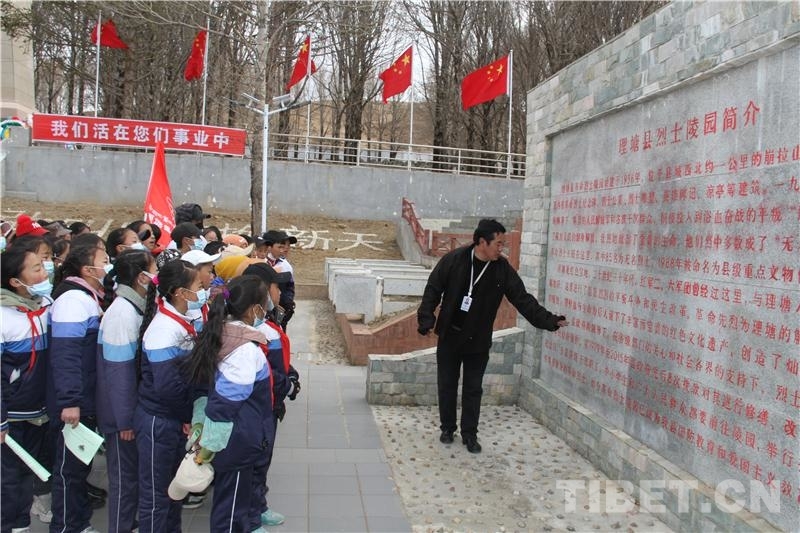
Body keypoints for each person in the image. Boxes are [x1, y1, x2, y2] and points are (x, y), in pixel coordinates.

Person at [417, 219, 568, 454]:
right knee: (447, 385)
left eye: (503, 244)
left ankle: (470, 434)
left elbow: (522, 299)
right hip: (449, 337)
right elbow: (433, 289)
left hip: (477, 341)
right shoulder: (454, 260)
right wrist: (426, 320)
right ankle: (447, 428)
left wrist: (549, 320)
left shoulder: (502, 269)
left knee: (473, 389)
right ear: (482, 242)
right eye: (498, 243)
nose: (501, 248)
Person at [183, 275, 275, 533]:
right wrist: (211, 444)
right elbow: (226, 403)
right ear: (254, 309)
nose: (266, 309)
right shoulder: (244, 349)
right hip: (236, 440)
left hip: (232, 438)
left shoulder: (220, 331)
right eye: (264, 303)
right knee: (231, 511)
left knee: (232, 505)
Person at [134, 259, 203, 533]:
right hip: (159, 420)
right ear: (180, 293)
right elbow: (167, 387)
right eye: (198, 285)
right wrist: (188, 414)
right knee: (156, 496)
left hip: (173, 417)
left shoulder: (182, 322)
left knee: (175, 490)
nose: (202, 290)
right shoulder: (164, 329)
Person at [48, 243, 112, 532]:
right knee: (69, 471)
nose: (108, 266)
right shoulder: (74, 300)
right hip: (74, 402)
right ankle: (66, 526)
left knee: (78, 467)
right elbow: (67, 354)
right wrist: (70, 400)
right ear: (88, 270)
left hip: (84, 397)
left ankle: (78, 522)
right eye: (104, 261)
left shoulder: (88, 297)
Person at [97, 249, 156, 533]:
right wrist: (124, 421)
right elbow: (118, 373)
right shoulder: (122, 313)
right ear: (142, 278)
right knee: (124, 479)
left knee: (133, 475)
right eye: (154, 270)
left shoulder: (137, 306)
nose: (157, 275)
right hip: (120, 416)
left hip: (130, 411)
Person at [1, 245, 52, 533]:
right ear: (15, 281)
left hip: (40, 409)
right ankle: (14, 525)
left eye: (43, 264)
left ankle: (24, 517)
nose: (45, 272)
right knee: (11, 477)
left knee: (30, 470)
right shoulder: (3, 317)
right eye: (37, 268)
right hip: (12, 414)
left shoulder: (44, 306)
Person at [244, 263, 299, 528]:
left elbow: (280, 363)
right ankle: (251, 516)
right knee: (256, 462)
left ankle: (259, 505)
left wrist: (291, 375)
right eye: (277, 287)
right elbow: (267, 370)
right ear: (264, 291)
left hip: (271, 403)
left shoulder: (269, 321)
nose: (281, 293)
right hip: (261, 405)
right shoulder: (257, 330)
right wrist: (286, 385)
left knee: (262, 461)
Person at [261, 230, 297, 331]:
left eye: (288, 246)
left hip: (278, 313)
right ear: (269, 247)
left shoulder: (286, 266)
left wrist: (287, 305)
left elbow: (289, 287)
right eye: (281, 246)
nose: (285, 249)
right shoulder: (259, 262)